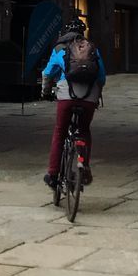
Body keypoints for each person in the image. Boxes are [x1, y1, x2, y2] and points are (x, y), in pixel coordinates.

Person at [41, 16, 106, 189]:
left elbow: (47, 74)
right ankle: (83, 165)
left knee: (60, 131)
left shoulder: (60, 49)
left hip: (66, 95)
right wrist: (97, 95)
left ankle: (53, 174)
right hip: (89, 97)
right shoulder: (92, 49)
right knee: (84, 130)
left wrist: (45, 92)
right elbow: (102, 77)